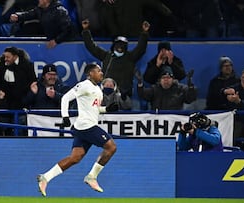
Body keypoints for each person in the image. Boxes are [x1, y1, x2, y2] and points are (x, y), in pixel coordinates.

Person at [36, 63, 119, 197]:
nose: (101, 73)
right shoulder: (84, 85)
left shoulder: (97, 89)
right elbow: (65, 98)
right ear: (90, 73)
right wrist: (65, 116)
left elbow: (95, 109)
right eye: (98, 71)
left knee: (75, 158)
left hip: (84, 128)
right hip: (87, 126)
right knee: (111, 147)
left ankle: (45, 177)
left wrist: (107, 109)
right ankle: (92, 176)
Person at [81, 19, 149, 98]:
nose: (120, 47)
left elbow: (141, 48)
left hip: (124, 96)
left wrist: (144, 33)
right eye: (118, 44)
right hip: (106, 94)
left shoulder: (130, 57)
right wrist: (86, 31)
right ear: (114, 45)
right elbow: (92, 47)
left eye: (123, 45)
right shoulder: (107, 56)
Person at [9, 0, 77, 48]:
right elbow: (28, 14)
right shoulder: (40, 10)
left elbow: (68, 29)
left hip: (66, 42)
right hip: (53, 41)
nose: (38, 0)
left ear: (46, 0)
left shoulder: (60, 11)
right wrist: (18, 16)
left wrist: (56, 40)